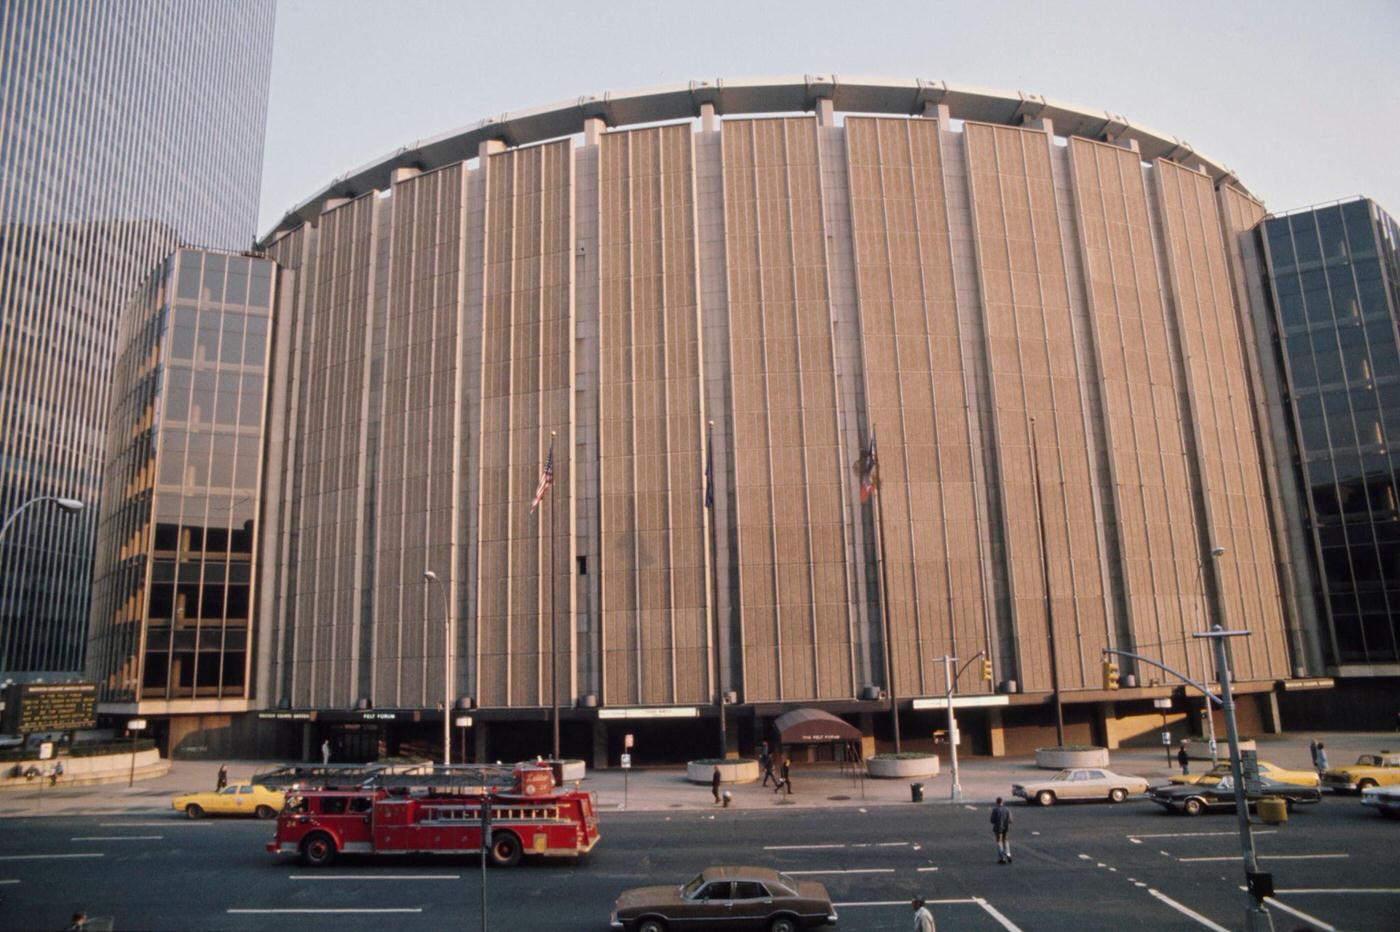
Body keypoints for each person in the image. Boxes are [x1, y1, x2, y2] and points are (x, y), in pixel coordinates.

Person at [991, 796, 1012, 864]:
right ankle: (1008, 853)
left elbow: (992, 820)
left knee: (999, 841)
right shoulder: (1007, 809)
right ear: (1002, 802)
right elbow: (1010, 820)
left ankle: (1002, 858)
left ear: (997, 802)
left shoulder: (995, 809)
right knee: (1005, 840)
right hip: (1006, 827)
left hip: (998, 828)